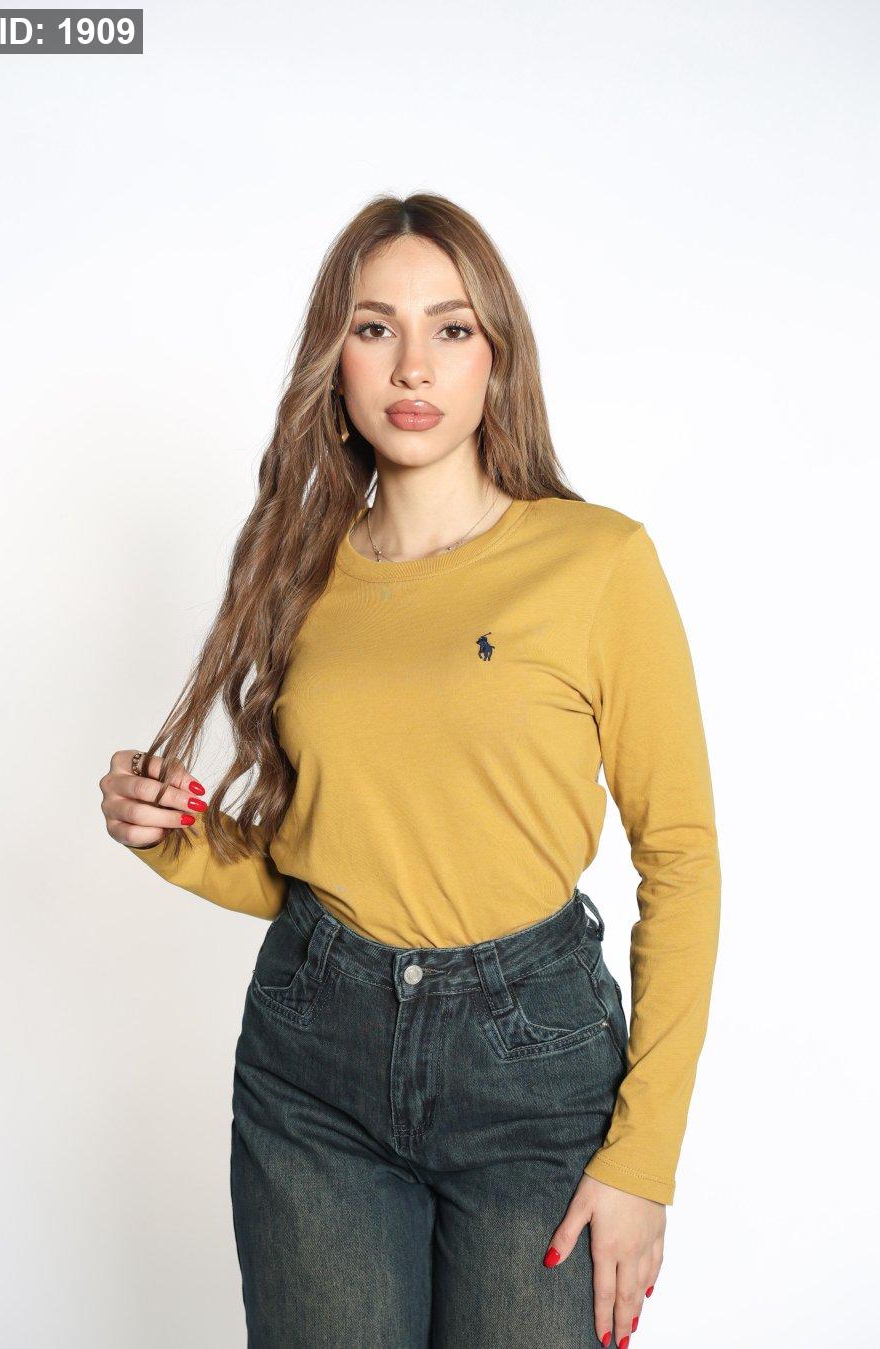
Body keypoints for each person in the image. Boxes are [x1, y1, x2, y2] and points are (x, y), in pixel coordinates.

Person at [100, 192, 721, 1349]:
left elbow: (680, 856)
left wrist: (645, 1158)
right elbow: (316, 859)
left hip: (535, 1076)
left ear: (498, 356)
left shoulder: (597, 562)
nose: (412, 365)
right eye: (375, 327)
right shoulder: (299, 571)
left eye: (451, 327)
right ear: (333, 358)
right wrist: (167, 837)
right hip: (312, 1068)